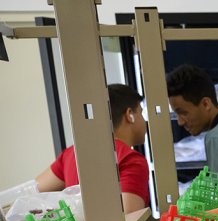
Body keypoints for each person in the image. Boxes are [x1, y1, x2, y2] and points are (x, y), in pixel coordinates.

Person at [36, 83, 149, 213]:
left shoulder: (73, 153)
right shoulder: (131, 159)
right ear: (130, 115)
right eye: (140, 112)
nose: (144, 121)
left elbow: (32, 192)